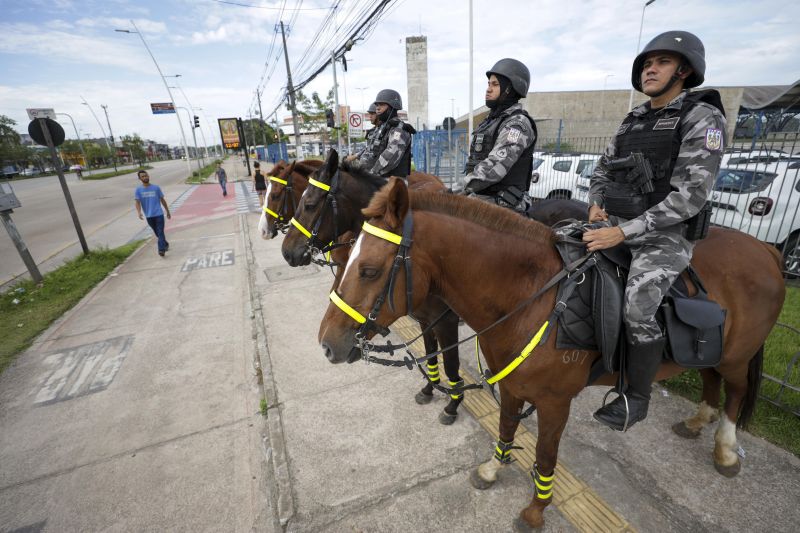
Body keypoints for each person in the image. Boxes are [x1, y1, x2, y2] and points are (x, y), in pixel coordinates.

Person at [583, 30, 726, 431]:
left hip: (666, 233)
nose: (650, 68)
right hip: (616, 221)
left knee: (637, 304)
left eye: (661, 62)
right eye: (647, 62)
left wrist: (622, 233)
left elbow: (690, 197)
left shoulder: (702, 117)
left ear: (683, 70)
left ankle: (636, 397)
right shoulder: (634, 119)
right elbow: (602, 169)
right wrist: (596, 202)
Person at [461, 58, 537, 214]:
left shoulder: (517, 124)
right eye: (489, 84)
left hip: (505, 205)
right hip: (482, 198)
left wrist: (456, 188)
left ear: (510, 89)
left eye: (495, 85)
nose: (488, 89)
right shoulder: (490, 122)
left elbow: (495, 166)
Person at [348, 89, 416, 179]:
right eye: (377, 105)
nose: (377, 108)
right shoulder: (383, 128)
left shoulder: (399, 129)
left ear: (393, 107)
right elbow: (370, 151)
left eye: (382, 105)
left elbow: (390, 157)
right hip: (378, 177)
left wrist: (370, 174)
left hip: (392, 181)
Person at [134, 169, 171, 257]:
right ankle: (165, 244)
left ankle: (161, 250)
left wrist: (167, 211)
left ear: (148, 176)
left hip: (159, 214)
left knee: (160, 232)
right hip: (149, 216)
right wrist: (139, 212)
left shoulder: (156, 188)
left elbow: (162, 200)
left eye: (146, 175)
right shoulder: (138, 190)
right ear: (140, 179)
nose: (145, 177)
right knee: (157, 233)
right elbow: (137, 202)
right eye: (142, 176)